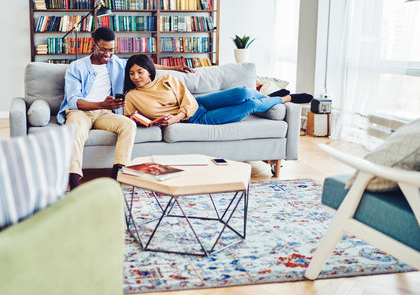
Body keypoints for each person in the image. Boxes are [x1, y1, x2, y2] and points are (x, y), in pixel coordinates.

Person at [57, 28, 194, 189]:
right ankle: (73, 183)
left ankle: (118, 177)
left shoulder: (116, 63)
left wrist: (175, 68)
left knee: (128, 124)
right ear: (93, 45)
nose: (108, 54)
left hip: (105, 113)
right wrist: (102, 104)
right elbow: (73, 100)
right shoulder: (76, 67)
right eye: (103, 50)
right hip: (80, 112)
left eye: (111, 50)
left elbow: (145, 65)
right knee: (75, 129)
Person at [123, 54, 313, 126]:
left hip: (200, 104)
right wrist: (138, 121)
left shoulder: (167, 79)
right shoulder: (131, 97)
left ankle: (267, 96)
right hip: (198, 119)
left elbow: (188, 101)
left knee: (243, 92)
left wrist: (175, 117)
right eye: (131, 74)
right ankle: (286, 98)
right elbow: (134, 118)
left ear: (150, 71)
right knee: (251, 105)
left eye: (140, 72)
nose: (136, 77)